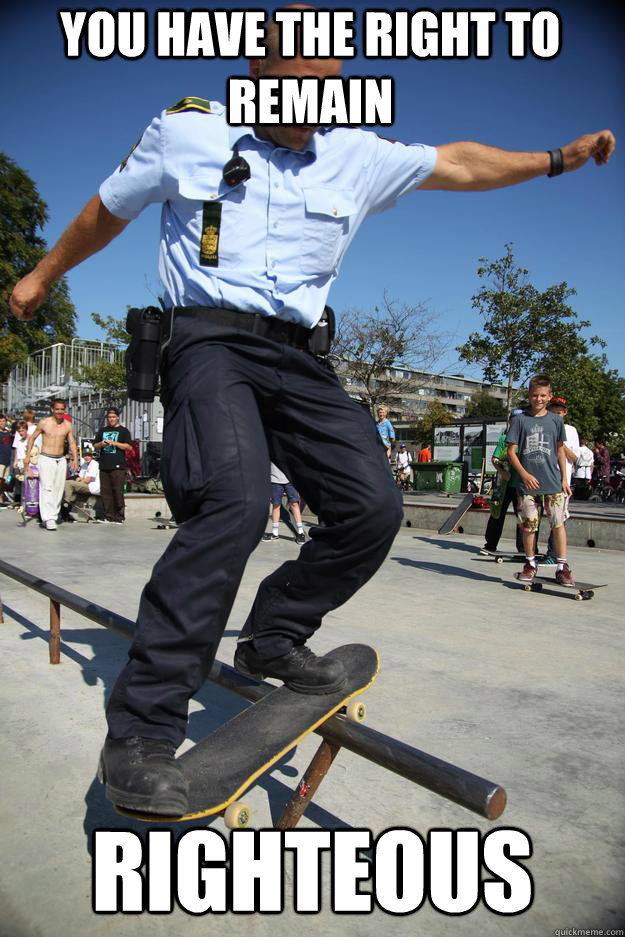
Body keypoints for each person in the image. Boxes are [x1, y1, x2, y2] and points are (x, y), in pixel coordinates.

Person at [9, 5, 614, 815]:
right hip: (208, 342)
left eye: (330, 95)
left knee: (372, 506)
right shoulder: (188, 132)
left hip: (299, 356)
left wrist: (551, 159)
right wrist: (42, 277)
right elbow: (104, 211)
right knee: (233, 502)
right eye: (298, 97)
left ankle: (274, 634)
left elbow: (458, 163)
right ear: (257, 77)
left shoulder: (355, 153)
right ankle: (142, 730)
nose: (314, 118)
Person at [507, 374, 574, 586]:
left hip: (553, 482)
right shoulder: (520, 420)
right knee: (529, 526)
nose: (539, 399)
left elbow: (560, 450)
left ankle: (562, 567)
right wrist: (524, 475)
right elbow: (511, 452)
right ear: (529, 395)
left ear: (550, 396)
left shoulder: (556, 420)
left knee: (558, 523)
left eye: (543, 395)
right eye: (535, 395)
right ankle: (530, 563)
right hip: (527, 485)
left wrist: (564, 478)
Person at [23, 399, 78, 531]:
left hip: (61, 459)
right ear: (52, 410)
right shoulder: (44, 422)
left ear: (64, 410)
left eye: (62, 409)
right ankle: (48, 518)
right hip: (46, 458)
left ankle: (53, 514)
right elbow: (32, 438)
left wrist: (75, 458)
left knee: (58, 489)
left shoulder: (68, 425)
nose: (59, 411)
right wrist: (27, 456)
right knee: (47, 488)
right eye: (57, 409)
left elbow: (71, 442)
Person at [482, 409, 525, 555]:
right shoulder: (504, 439)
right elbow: (494, 459)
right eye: (514, 420)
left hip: (521, 485)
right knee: (497, 513)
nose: (516, 423)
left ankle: (524, 548)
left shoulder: (526, 438)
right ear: (510, 421)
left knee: (523, 516)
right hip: (504, 485)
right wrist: (502, 471)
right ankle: (490, 544)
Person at [543, 397, 580, 564]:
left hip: (561, 480)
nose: (556, 415)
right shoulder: (544, 426)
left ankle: (554, 554)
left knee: (558, 518)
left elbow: (574, 457)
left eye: (559, 412)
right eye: (553, 412)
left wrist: (560, 442)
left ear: (565, 413)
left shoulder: (570, 431)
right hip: (544, 476)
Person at [93, 409, 132, 524]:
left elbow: (129, 447)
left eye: (113, 417)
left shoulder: (124, 431)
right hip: (104, 465)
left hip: (118, 466)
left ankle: (119, 517)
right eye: (109, 417)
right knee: (106, 492)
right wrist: (101, 444)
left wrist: (114, 443)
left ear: (117, 417)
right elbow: (95, 445)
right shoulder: (102, 430)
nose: (111, 419)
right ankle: (108, 516)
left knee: (117, 491)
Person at [263, 462, 306, 543]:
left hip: (290, 480)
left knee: (294, 504)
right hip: (274, 480)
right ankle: (275, 534)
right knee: (276, 506)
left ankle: (301, 533)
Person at [63, 450, 101, 515]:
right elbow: (79, 478)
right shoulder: (84, 464)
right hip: (86, 485)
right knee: (67, 483)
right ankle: (66, 503)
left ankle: (66, 502)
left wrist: (78, 481)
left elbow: (87, 480)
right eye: (85, 456)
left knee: (68, 483)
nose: (87, 457)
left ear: (92, 456)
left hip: (92, 487)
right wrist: (79, 480)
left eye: (89, 455)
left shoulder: (94, 464)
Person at [0, 414, 13, 507]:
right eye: (0, 421)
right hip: (0, 461)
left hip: (7, 460)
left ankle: (1, 496)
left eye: (3, 421)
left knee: (5, 480)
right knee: (0, 480)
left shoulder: (8, 433)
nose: (2, 423)